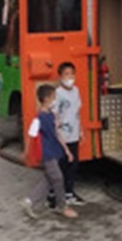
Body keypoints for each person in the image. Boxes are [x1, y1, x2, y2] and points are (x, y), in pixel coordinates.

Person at [20, 84, 78, 219]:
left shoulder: (52, 115)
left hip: (54, 151)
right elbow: (31, 136)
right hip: (47, 153)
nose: (55, 100)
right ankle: (62, 206)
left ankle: (29, 201)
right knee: (57, 178)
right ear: (46, 99)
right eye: (53, 97)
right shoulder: (38, 118)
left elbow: (58, 134)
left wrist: (67, 150)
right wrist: (26, 152)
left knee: (49, 180)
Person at [55, 62, 85, 206]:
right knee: (62, 165)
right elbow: (55, 115)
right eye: (66, 74)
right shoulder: (58, 93)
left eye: (72, 73)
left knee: (73, 164)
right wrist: (57, 133)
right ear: (60, 76)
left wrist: (81, 130)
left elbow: (77, 112)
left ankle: (69, 192)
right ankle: (58, 193)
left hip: (74, 134)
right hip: (62, 136)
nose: (70, 77)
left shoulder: (76, 91)